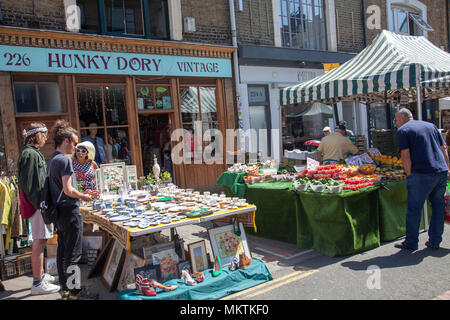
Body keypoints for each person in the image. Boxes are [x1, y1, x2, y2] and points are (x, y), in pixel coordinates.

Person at [48, 120, 99, 299]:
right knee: (73, 255)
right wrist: (85, 196)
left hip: (59, 212)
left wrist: (82, 193)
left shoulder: (53, 159)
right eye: (75, 143)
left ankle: (66, 290)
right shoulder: (65, 161)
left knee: (63, 252)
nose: (77, 148)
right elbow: (69, 190)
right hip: (69, 211)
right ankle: (75, 292)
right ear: (66, 141)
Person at [394, 108, 449, 251]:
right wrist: (447, 168)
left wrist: (409, 174)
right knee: (438, 207)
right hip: (440, 171)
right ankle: (435, 241)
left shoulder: (403, 130)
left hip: (421, 173)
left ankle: (411, 242)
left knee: (414, 209)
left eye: (396, 119)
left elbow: (405, 155)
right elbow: (444, 149)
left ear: (402, 118)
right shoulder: (431, 126)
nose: (395, 122)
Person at [17, 123, 61, 295]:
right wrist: (40, 204)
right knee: (40, 241)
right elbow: (28, 184)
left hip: (39, 204)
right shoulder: (30, 154)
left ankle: (40, 275)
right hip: (37, 205)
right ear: (35, 136)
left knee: (41, 240)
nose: (45, 138)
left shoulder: (32, 153)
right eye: (43, 135)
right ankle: (37, 283)